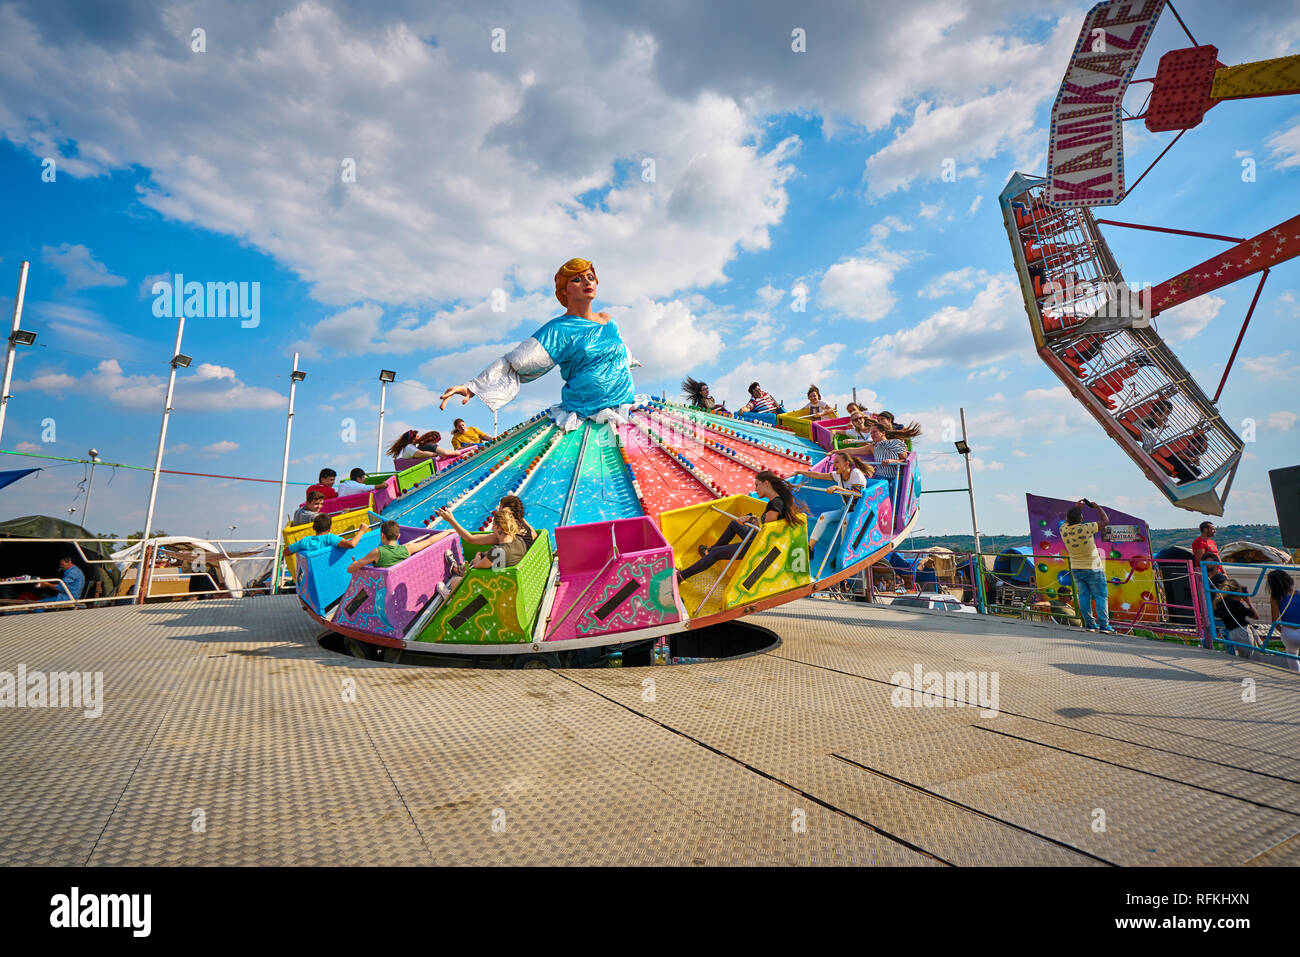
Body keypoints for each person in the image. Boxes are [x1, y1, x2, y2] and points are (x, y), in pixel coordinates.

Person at [439, 258, 642, 432]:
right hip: (584, 416)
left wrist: (631, 360)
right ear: (564, 291)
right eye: (577, 279)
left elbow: (619, 351)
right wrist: (472, 387)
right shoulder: (558, 329)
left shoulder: (608, 320)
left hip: (625, 410)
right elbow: (515, 362)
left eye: (590, 277)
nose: (586, 282)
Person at [678, 472, 803, 581]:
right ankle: (708, 552)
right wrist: (751, 518)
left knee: (717, 553)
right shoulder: (777, 502)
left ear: (766, 484)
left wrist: (752, 521)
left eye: (757, 485)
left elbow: (766, 532)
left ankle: (682, 576)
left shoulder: (775, 504)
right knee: (734, 524)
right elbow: (767, 524)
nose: (755, 488)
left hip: (760, 547)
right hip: (760, 540)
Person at [434, 505, 531, 600]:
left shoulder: (498, 551)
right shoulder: (519, 540)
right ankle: (458, 569)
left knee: (454, 582)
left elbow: (477, 565)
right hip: (506, 583)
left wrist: (477, 556)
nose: (492, 528)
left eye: (493, 525)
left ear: (497, 527)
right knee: (476, 562)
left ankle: (450, 598)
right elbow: (471, 539)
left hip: (492, 589)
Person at [789, 451, 872, 552]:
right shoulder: (838, 475)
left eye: (837, 462)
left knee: (846, 520)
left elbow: (856, 494)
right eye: (833, 462)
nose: (834, 464)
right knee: (824, 516)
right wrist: (801, 472)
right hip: (847, 509)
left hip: (860, 511)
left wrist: (837, 488)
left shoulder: (855, 473)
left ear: (846, 463)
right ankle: (810, 547)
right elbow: (818, 475)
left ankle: (842, 552)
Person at [1059, 499, 1113, 633]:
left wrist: (1076, 508)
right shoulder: (1086, 528)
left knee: (1083, 596)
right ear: (1081, 518)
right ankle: (1104, 625)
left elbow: (1067, 520)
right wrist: (1097, 507)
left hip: (1076, 568)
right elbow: (1105, 521)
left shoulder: (1063, 529)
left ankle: (1090, 624)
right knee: (1100, 596)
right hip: (1093, 567)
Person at [347, 520, 446, 575]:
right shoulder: (408, 548)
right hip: (403, 579)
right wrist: (448, 532)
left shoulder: (377, 552)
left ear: (382, 535)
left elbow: (350, 569)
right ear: (398, 536)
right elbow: (430, 541)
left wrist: (355, 563)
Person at [1211, 574, 1259, 658]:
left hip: (1232, 632)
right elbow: (1256, 616)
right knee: (1250, 657)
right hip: (1242, 631)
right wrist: (1248, 602)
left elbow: (1214, 608)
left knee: (1237, 654)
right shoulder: (1237, 605)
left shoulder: (1221, 603)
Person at [1266, 569, 1300, 671]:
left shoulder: (1275, 598)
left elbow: (1274, 621)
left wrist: (1284, 631)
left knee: (1291, 654)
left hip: (1289, 633)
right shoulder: (1298, 593)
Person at [286, 514, 365, 559]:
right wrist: (362, 530)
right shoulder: (329, 538)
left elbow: (286, 552)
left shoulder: (305, 541)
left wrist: (299, 551)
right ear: (329, 528)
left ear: (314, 528)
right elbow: (351, 544)